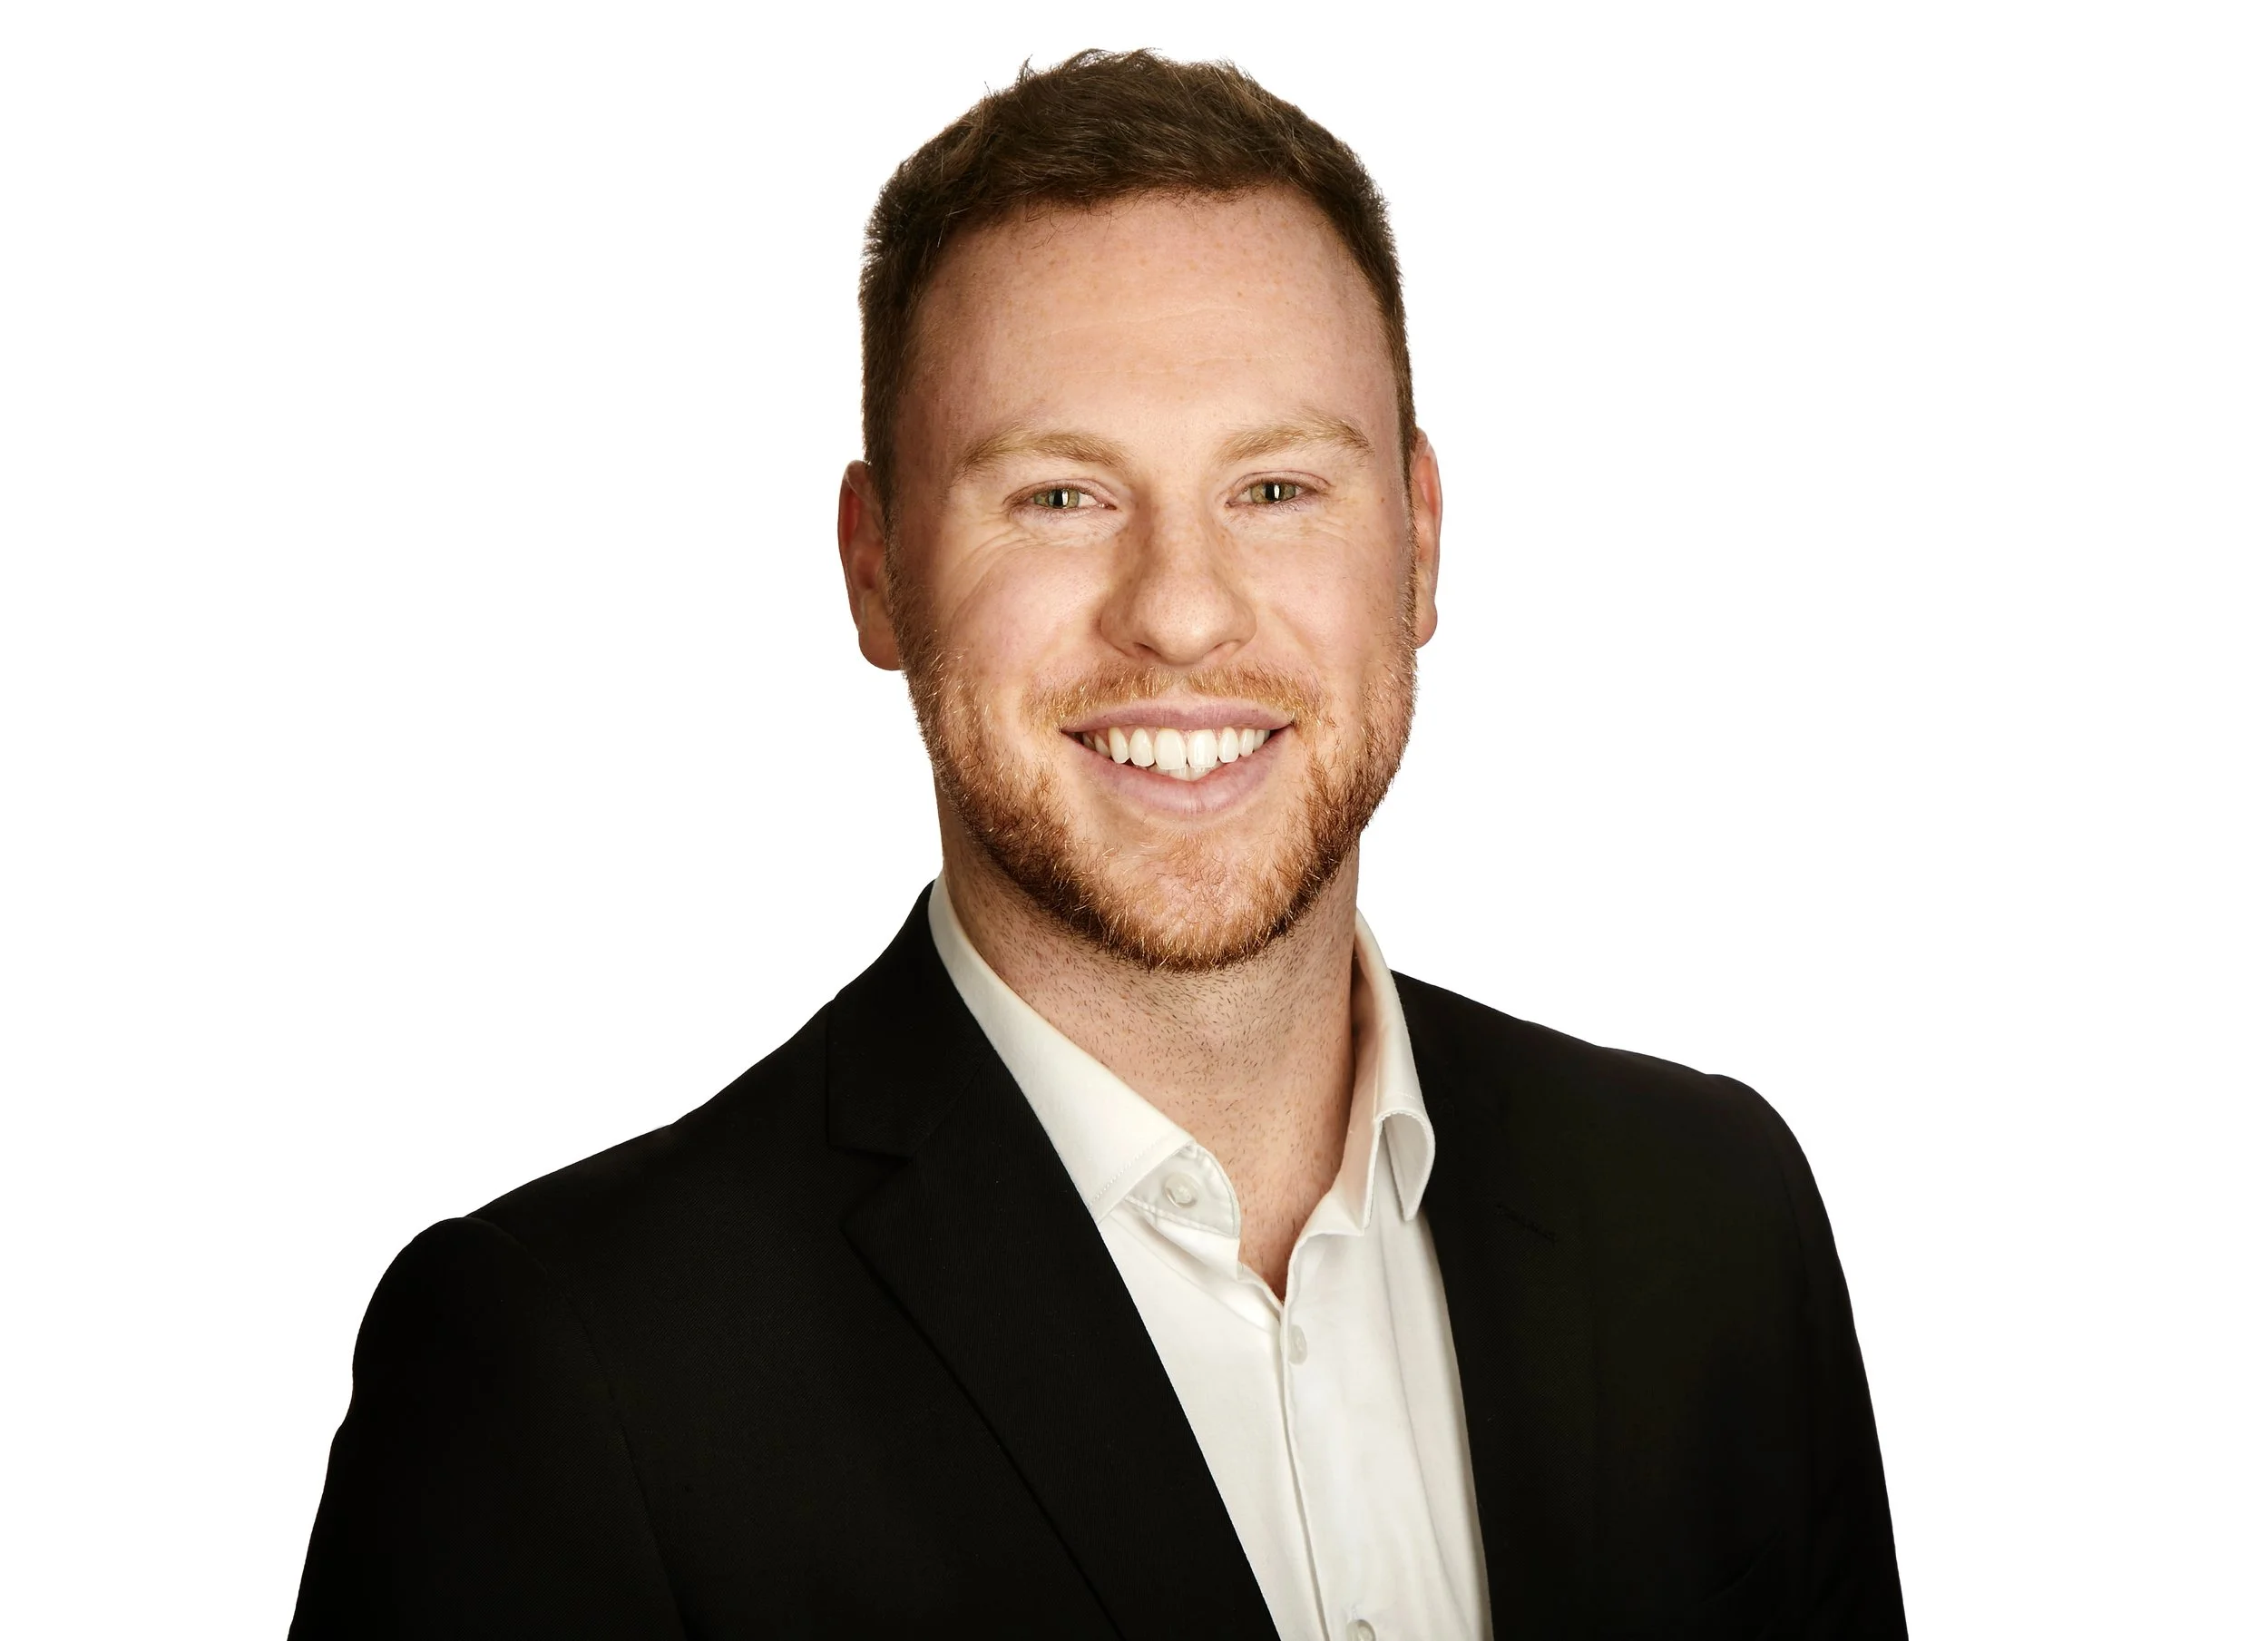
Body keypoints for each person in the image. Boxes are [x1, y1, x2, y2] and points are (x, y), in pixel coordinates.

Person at [289, 49, 1904, 1640]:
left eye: (1275, 487)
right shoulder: (568, 1377)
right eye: (1061, 498)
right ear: (876, 567)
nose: (1181, 612)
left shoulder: (1713, 1222)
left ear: (1420, 544)